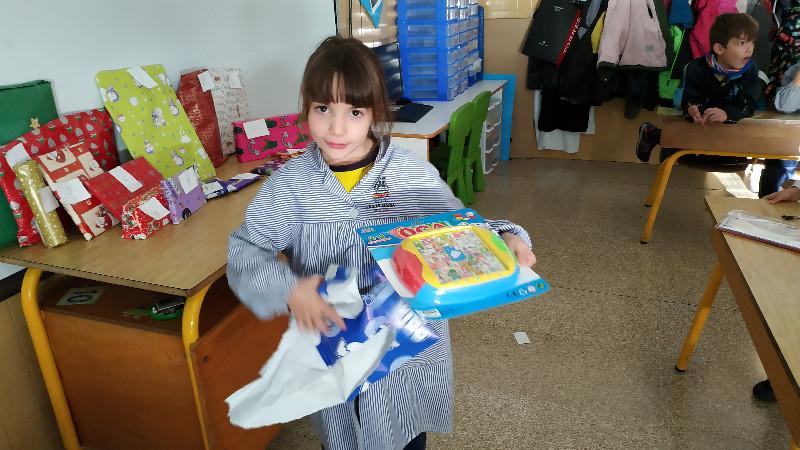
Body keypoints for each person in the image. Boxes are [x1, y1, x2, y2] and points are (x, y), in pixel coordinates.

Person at [226, 36, 536, 450]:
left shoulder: (410, 174)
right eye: (322, 109)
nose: (336, 128)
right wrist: (289, 289)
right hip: (336, 345)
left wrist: (506, 236)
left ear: (375, 111)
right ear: (306, 108)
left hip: (404, 347)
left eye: (354, 112)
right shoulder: (291, 186)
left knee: (405, 433)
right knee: (344, 433)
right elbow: (247, 248)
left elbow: (460, 230)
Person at [635, 13, 762, 165]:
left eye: (752, 42)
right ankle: (654, 135)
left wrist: (727, 113)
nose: (749, 50)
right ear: (719, 48)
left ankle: (662, 139)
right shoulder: (696, 68)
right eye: (741, 43)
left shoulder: (751, 71)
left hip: (730, 124)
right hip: (701, 124)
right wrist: (693, 109)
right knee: (687, 132)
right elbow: (689, 98)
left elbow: (749, 102)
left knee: (731, 159)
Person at [759, 62, 800, 197]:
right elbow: (785, 106)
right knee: (776, 169)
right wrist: (798, 80)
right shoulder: (795, 70)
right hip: (792, 134)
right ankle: (765, 202)